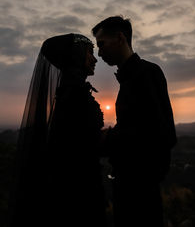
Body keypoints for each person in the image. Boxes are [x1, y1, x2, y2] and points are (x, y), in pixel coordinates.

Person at [8, 33, 108, 227]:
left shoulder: (68, 93)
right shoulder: (75, 97)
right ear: (76, 55)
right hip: (78, 198)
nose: (95, 59)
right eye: (89, 52)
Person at [92, 16, 177, 227]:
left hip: (139, 191)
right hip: (133, 186)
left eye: (101, 44)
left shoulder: (146, 74)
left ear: (120, 38)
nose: (99, 52)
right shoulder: (133, 76)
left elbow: (160, 133)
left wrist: (106, 139)